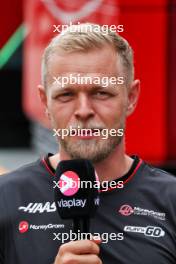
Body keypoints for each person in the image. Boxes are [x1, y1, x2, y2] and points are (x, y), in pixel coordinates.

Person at [0, 23, 176, 264]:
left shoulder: (170, 199)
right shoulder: (6, 198)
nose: (83, 111)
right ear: (44, 102)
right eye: (66, 95)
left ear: (131, 97)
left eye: (101, 93)